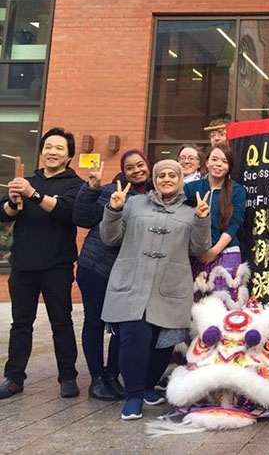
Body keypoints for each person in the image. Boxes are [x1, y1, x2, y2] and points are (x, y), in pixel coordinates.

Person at [100, 160, 211, 421]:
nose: (167, 179)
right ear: (154, 178)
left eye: (173, 175)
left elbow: (199, 248)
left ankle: (148, 385)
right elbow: (110, 237)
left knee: (164, 344)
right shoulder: (133, 203)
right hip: (132, 282)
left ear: (181, 179)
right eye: (162, 175)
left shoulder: (189, 210)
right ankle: (134, 396)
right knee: (133, 336)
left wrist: (203, 219)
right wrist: (114, 210)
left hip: (170, 285)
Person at [0, 128, 84, 399]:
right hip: (23, 264)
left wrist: (33, 195)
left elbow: (67, 212)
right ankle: (13, 378)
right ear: (41, 151)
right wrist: (13, 202)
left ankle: (67, 377)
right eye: (48, 146)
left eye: (59, 148)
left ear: (69, 155)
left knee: (61, 322)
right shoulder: (25, 180)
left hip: (56, 265)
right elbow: (3, 215)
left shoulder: (74, 183)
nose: (52, 152)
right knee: (20, 323)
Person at [73, 149, 152, 401]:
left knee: (124, 324)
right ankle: (96, 378)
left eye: (140, 165)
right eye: (130, 167)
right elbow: (82, 218)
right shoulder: (110, 190)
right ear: (123, 171)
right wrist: (92, 188)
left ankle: (111, 374)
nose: (136, 170)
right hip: (97, 267)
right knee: (94, 322)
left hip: (128, 273)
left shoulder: (155, 195)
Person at [184, 144, 248, 303]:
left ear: (229, 166)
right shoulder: (191, 188)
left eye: (224, 161)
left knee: (224, 303)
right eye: (214, 159)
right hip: (195, 254)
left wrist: (214, 251)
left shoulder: (238, 191)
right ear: (206, 162)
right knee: (196, 305)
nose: (219, 164)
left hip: (227, 252)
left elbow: (235, 223)